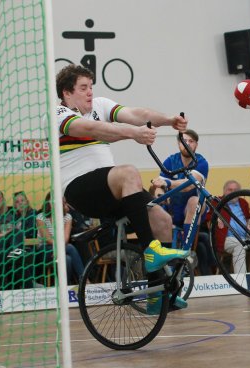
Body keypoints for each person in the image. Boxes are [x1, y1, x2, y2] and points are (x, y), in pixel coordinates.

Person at [55, 64, 188, 312]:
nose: (89, 93)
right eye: (83, 88)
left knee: (162, 219)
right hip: (80, 188)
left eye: (91, 87)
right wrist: (134, 134)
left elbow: (139, 113)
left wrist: (169, 120)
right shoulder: (57, 113)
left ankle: (157, 293)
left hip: (111, 187)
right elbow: (93, 129)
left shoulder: (101, 106)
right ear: (66, 93)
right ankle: (151, 251)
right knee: (128, 172)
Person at [150, 129, 216, 275]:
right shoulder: (170, 161)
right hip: (172, 210)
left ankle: (186, 251)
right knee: (155, 198)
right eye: (184, 141)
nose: (187, 144)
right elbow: (160, 186)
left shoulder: (201, 162)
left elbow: (190, 185)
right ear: (179, 143)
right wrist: (160, 194)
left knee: (194, 200)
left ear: (196, 145)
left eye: (190, 141)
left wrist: (167, 182)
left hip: (191, 210)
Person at [208, 180, 250, 274]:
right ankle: (242, 280)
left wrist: (249, 222)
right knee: (240, 247)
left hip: (246, 237)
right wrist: (215, 219)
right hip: (227, 239)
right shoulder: (217, 202)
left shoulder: (242, 202)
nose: (233, 192)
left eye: (236, 190)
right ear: (224, 191)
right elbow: (207, 217)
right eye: (230, 190)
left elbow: (248, 216)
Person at [36, 193, 85, 284]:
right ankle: (84, 280)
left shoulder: (67, 217)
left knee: (67, 259)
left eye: (59, 201)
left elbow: (65, 239)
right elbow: (48, 239)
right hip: (44, 250)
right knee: (70, 247)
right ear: (48, 203)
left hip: (61, 249)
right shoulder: (40, 217)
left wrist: (58, 250)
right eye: (53, 201)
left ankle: (65, 286)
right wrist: (58, 248)